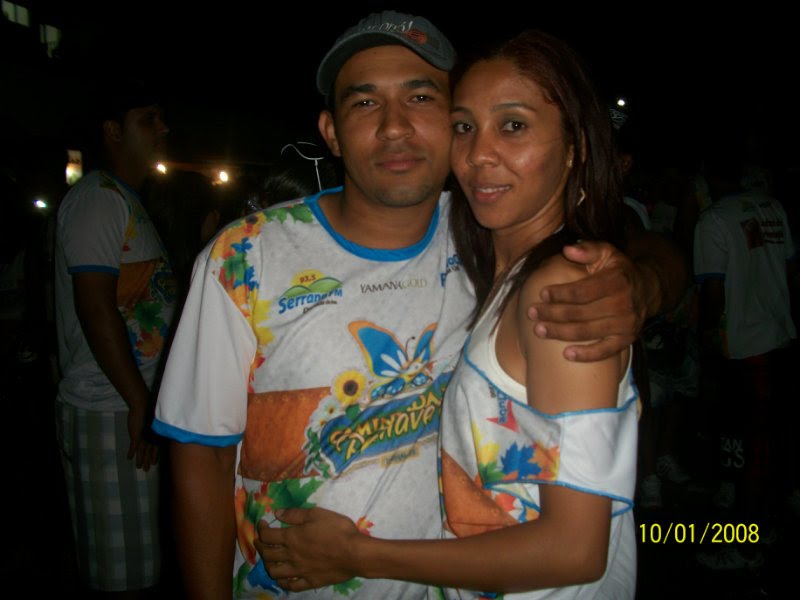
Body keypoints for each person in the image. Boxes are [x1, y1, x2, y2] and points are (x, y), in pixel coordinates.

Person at [153, 11, 685, 599]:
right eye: (365, 103)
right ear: (331, 132)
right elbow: (200, 454)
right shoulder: (246, 258)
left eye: (422, 98)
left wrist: (641, 283)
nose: (395, 127)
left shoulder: (483, 229)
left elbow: (642, 248)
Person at [257, 28, 638, 598]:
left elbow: (574, 550)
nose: (479, 154)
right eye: (464, 127)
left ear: (575, 147)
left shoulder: (561, 293)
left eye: (513, 126)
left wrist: (357, 554)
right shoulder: (495, 271)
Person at [54, 79, 175, 597]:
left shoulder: (126, 200)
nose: (163, 128)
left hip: (129, 408)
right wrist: (137, 401)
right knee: (121, 576)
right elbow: (94, 305)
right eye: (148, 118)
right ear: (113, 131)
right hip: (110, 409)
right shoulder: (98, 201)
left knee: (142, 565)